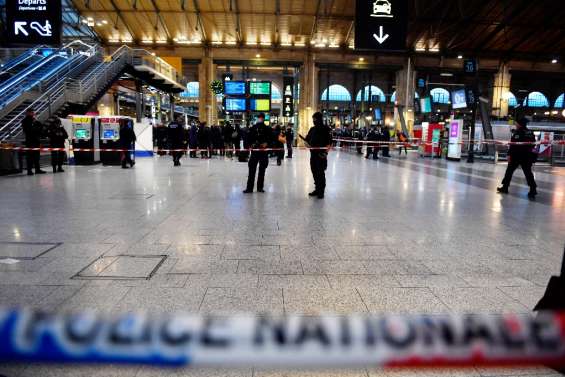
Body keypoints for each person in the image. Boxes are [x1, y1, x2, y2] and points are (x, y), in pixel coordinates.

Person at [497, 117, 538, 199]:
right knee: (528, 173)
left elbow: (513, 145)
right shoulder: (530, 132)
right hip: (527, 156)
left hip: (516, 156)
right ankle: (533, 189)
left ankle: (505, 187)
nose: (515, 124)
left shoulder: (518, 132)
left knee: (509, 171)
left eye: (516, 123)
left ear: (519, 124)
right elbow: (533, 144)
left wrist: (509, 155)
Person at [243, 113, 273, 194]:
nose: (259, 119)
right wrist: (251, 144)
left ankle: (260, 187)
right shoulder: (253, 128)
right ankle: (249, 188)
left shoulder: (267, 129)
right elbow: (248, 138)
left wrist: (267, 143)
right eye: (258, 117)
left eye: (260, 117)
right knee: (252, 170)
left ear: (263, 118)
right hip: (255, 152)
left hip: (263, 152)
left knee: (262, 170)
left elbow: (272, 139)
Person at [305, 112, 332, 199]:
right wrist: (307, 144)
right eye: (313, 119)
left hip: (321, 155)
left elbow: (329, 143)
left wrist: (325, 153)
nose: (314, 121)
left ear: (319, 119)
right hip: (313, 155)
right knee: (314, 172)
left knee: (320, 173)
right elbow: (307, 140)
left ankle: (321, 191)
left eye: (315, 119)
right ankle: (317, 189)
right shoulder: (312, 129)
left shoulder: (326, 129)